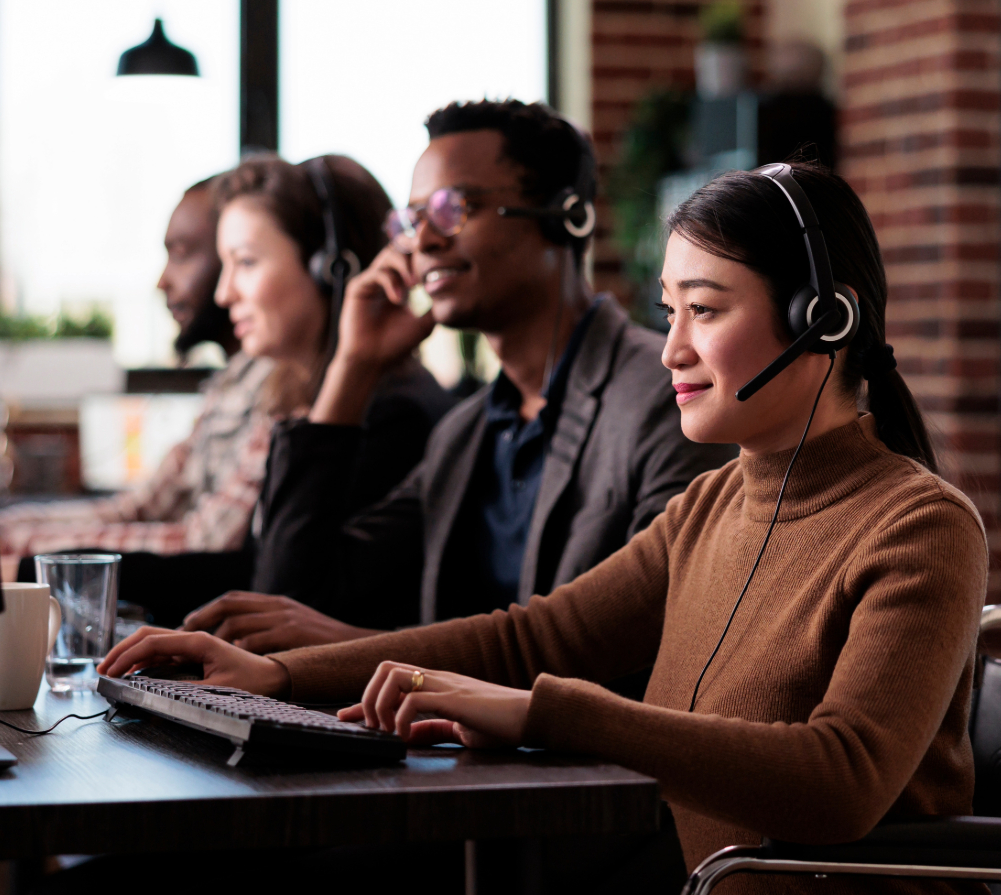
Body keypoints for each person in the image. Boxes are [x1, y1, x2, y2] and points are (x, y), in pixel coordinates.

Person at [104, 161, 989, 895]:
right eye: (669, 312)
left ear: (821, 319)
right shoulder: (712, 505)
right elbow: (537, 633)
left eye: (707, 311)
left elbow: (841, 780)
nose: (674, 349)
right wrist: (277, 675)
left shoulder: (920, 528)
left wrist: (548, 713)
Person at [184, 100, 734, 657]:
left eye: (454, 208)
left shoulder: (666, 395)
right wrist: (353, 368)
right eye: (412, 219)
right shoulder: (465, 434)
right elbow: (292, 593)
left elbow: (631, 643)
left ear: (566, 215)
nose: (423, 242)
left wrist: (371, 649)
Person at [3, 155, 455, 624]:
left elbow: (279, 589)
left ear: (331, 268)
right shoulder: (287, 393)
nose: (223, 295)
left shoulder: (394, 417)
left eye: (246, 262)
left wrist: (31, 569)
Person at [0, 175, 275, 583]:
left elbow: (207, 546)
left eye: (181, 254)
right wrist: (6, 532)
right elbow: (139, 507)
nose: (162, 281)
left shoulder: (279, 388)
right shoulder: (230, 384)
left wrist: (23, 559)